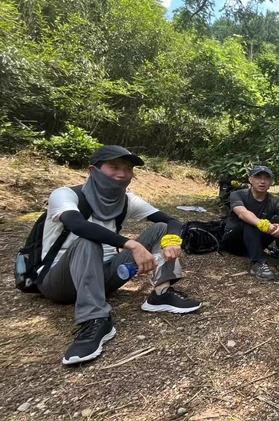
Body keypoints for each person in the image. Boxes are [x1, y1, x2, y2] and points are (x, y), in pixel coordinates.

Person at [38, 145, 201, 365]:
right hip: (59, 281)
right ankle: (95, 320)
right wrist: (131, 245)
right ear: (92, 170)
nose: (122, 174)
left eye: (128, 169)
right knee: (87, 240)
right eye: (114, 167)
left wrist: (172, 240)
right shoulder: (66, 195)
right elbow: (78, 226)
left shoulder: (127, 201)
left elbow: (171, 221)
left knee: (162, 229)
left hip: (104, 277)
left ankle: (161, 293)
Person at [221, 166, 279, 281]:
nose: (262, 181)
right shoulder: (237, 195)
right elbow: (242, 213)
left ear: (271, 182)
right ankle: (258, 263)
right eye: (258, 177)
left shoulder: (274, 200)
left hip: (256, 242)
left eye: (266, 178)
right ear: (250, 180)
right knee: (249, 219)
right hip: (234, 241)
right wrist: (264, 225)